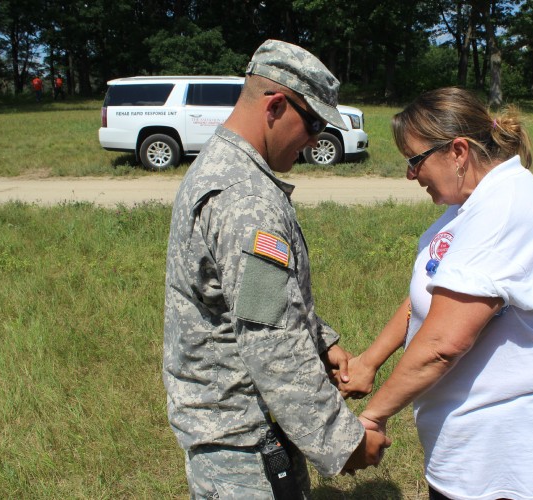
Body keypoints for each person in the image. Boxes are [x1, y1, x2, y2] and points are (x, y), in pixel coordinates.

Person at [162, 39, 390, 499]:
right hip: (245, 443)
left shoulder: (222, 164)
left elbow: (250, 300)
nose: (314, 141)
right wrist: (344, 443)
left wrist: (321, 340)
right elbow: (271, 342)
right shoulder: (246, 200)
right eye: (312, 124)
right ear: (276, 105)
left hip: (229, 430)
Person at [338, 87, 533, 499]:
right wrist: (369, 361)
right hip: (468, 438)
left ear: (458, 152)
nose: (410, 175)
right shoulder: (471, 203)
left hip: (497, 451)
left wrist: (373, 418)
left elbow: (444, 344)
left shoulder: (503, 211)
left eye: (414, 160)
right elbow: (433, 292)